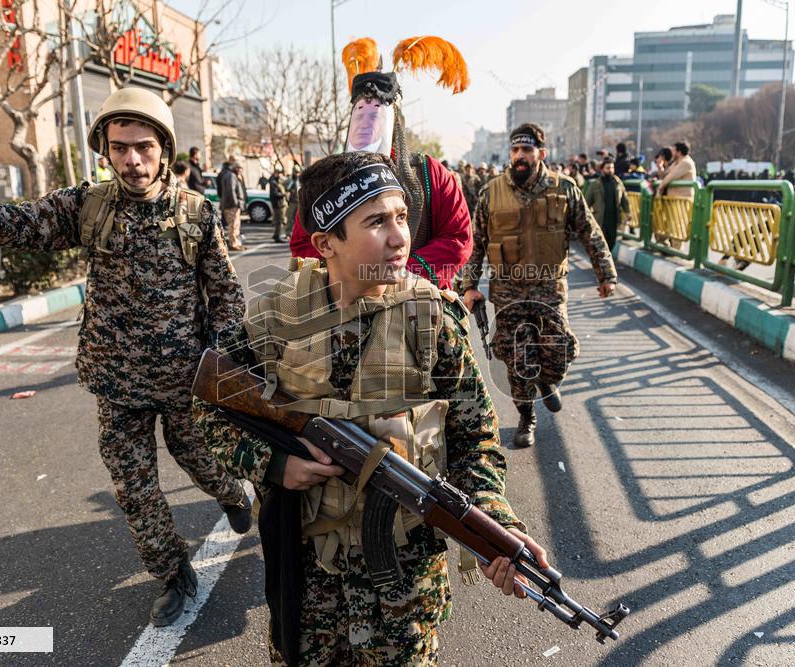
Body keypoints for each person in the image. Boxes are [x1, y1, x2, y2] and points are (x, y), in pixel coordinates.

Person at [0, 86, 251, 627]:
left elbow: (224, 293)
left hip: (185, 381)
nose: (132, 160)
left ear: (165, 149)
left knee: (201, 461)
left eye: (145, 147)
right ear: (104, 150)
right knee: (133, 487)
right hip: (116, 381)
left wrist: (221, 363)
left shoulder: (196, 214)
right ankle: (173, 571)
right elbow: (8, 223)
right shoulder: (86, 206)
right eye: (120, 147)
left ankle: (230, 495)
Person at [194, 150, 546, 665]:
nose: (400, 237)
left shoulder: (434, 320)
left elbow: (478, 441)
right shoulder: (272, 319)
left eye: (402, 216)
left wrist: (494, 521)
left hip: (405, 586)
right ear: (325, 244)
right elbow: (206, 412)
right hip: (308, 580)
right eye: (376, 221)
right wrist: (273, 463)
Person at [458, 123, 617, 448]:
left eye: (526, 151)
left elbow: (590, 231)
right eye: (515, 150)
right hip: (507, 293)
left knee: (559, 354)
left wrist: (606, 273)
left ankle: (548, 382)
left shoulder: (565, 189)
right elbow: (477, 243)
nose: (520, 157)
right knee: (518, 362)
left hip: (549, 290)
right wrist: (469, 284)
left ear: (540, 154)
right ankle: (526, 418)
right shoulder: (492, 192)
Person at [289, 37, 472, 290]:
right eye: (360, 112)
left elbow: (457, 238)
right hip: (348, 305)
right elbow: (303, 243)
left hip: (419, 302)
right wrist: (352, 274)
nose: (365, 122)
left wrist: (400, 273)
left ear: (394, 120)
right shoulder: (326, 179)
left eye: (375, 112)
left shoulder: (432, 174)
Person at [586, 157, 632, 251]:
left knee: (611, 242)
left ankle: (605, 262)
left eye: (612, 168)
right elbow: (587, 203)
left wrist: (628, 212)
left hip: (614, 220)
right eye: (608, 168)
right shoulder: (595, 185)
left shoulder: (618, 183)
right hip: (600, 219)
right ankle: (602, 264)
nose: (610, 170)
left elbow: (624, 199)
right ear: (602, 169)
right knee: (601, 244)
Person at [218, 161, 246, 252]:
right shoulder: (231, 176)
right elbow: (231, 190)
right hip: (231, 206)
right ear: (236, 168)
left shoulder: (231, 175)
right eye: (240, 168)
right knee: (233, 226)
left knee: (235, 225)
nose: (241, 170)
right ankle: (233, 244)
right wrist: (235, 204)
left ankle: (236, 243)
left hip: (231, 205)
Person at [268, 165, 288, 243]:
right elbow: (275, 194)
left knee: (280, 220)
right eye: (278, 173)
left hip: (279, 203)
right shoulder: (273, 181)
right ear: (275, 173)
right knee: (279, 221)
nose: (280, 174)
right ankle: (277, 236)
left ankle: (277, 234)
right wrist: (284, 194)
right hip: (278, 204)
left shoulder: (276, 180)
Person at [284, 164, 301, 240]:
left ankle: (298, 234)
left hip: (300, 202)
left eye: (298, 172)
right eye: (295, 172)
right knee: (290, 218)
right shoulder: (290, 180)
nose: (297, 174)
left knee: (299, 220)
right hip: (292, 202)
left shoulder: (301, 180)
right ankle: (288, 233)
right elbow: (287, 188)